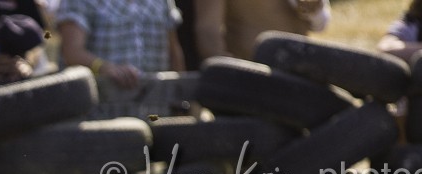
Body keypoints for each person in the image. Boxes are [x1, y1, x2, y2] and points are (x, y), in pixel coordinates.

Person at [57, 0, 184, 89]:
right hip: (103, 110)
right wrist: (104, 67)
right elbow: (71, 53)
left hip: (157, 109)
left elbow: (174, 52)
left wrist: (181, 101)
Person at [194, 0, 329, 61]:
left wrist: (313, 10)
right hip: (253, 77)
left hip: (301, 70)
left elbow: (320, 23)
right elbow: (207, 31)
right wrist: (229, 74)